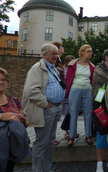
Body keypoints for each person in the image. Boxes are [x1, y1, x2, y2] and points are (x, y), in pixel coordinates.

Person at [22, 43, 65, 172]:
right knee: (42, 142)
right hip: (46, 108)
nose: (56, 56)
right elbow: (31, 90)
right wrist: (45, 104)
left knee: (50, 141)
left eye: (57, 54)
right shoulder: (37, 68)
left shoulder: (52, 68)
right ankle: (38, 170)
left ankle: (47, 169)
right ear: (44, 54)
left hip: (54, 108)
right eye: (53, 54)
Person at [0, 68, 31, 172]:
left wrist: (23, 120)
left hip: (11, 145)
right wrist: (2, 116)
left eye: (4, 80)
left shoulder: (14, 100)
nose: (1, 82)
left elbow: (26, 124)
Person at [65, 44, 95, 147]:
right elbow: (68, 79)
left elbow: (92, 80)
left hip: (87, 90)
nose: (90, 53)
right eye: (88, 51)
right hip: (75, 89)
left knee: (88, 113)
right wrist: (66, 92)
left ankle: (88, 135)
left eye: (91, 51)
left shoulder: (92, 66)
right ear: (82, 52)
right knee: (74, 112)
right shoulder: (73, 64)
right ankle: (72, 135)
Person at [92, 49, 108, 172]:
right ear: (106, 58)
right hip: (100, 104)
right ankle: (99, 163)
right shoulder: (98, 70)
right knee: (102, 132)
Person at [52, 41, 65, 145]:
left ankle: (52, 137)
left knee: (56, 116)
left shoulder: (59, 60)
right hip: (56, 87)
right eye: (61, 47)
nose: (63, 48)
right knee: (53, 116)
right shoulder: (55, 60)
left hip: (60, 88)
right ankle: (51, 138)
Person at [62, 55, 75, 140]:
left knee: (72, 113)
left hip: (72, 94)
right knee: (65, 113)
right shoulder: (63, 70)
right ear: (66, 63)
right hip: (65, 94)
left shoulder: (74, 69)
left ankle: (72, 130)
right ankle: (66, 131)